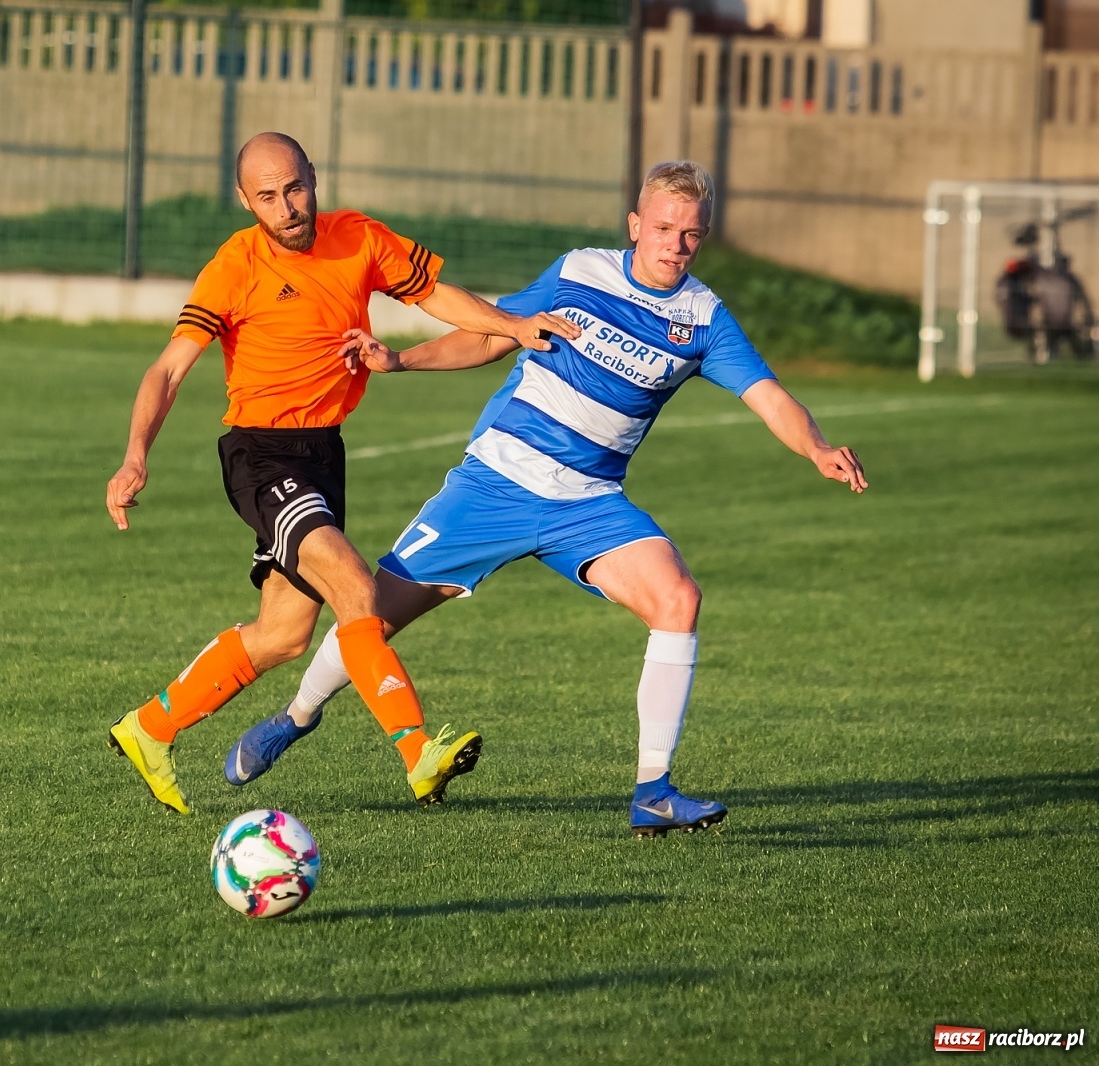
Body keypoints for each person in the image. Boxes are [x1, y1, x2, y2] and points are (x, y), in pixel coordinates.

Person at [225, 160, 867, 837]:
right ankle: (294, 717)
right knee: (371, 614)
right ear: (635, 226)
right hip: (494, 483)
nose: (675, 244)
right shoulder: (580, 273)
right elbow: (491, 334)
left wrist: (817, 447)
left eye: (691, 234)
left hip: (588, 503)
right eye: (664, 228)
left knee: (678, 599)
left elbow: (768, 397)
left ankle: (653, 790)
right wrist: (401, 360)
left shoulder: (701, 318)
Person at [104, 131, 579, 814]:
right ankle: (419, 754)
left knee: (284, 634)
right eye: (267, 196)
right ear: (246, 200)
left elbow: (436, 296)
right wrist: (135, 456)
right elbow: (168, 369)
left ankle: (148, 729)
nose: (286, 206)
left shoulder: (358, 238)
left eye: (295, 188)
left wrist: (514, 323)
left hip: (322, 454)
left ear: (313, 179)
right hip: (260, 454)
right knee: (358, 589)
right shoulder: (235, 264)